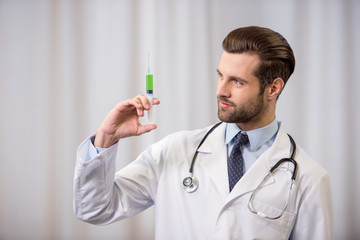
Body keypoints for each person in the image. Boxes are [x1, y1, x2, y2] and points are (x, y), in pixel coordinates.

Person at [73, 26, 333, 239]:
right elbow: (95, 209)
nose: (221, 90)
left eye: (237, 81)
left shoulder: (308, 178)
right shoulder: (174, 151)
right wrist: (106, 137)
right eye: (221, 75)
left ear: (273, 89)